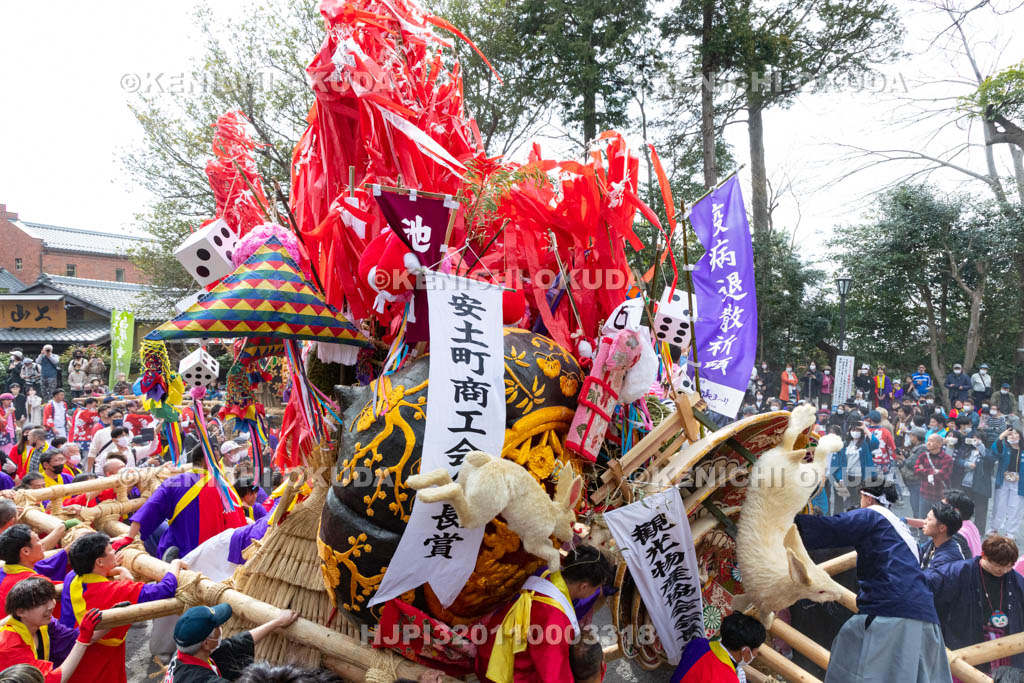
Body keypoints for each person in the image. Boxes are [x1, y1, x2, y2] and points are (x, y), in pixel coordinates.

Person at [796, 480, 952, 681]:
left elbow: (831, 528)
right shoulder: (903, 532)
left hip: (891, 614)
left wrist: (786, 522)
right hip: (924, 616)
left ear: (868, 498)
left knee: (855, 664)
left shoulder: (873, 515)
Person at [475, 545, 614, 683]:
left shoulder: (547, 572)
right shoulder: (555, 619)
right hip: (500, 670)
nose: (596, 591)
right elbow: (553, 676)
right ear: (583, 586)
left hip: (490, 645)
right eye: (596, 588)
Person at [65, 532, 184, 683]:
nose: (114, 551)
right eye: (110, 550)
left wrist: (119, 569)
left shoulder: (72, 578)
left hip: (74, 654)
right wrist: (175, 565)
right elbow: (166, 589)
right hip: (103, 660)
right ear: (99, 561)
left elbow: (96, 575)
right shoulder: (120, 590)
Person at [127, 445, 247, 561]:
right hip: (216, 555)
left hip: (180, 554)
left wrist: (128, 538)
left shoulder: (174, 482)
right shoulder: (225, 487)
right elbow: (236, 523)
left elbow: (150, 509)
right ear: (210, 461)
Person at [927, 535, 1024, 672]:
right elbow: (926, 586)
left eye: (1009, 566)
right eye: (998, 566)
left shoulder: (1015, 579)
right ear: (984, 555)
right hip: (968, 643)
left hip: (1005, 646)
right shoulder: (957, 572)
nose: (1003, 571)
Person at [162, 604, 298, 683]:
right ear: (206, 643)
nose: (221, 628)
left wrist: (277, 623)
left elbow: (238, 643)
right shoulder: (200, 679)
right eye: (217, 626)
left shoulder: (185, 653)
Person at [0, 577, 103, 682]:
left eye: (51, 598)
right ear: (20, 612)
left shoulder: (44, 624)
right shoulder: (9, 646)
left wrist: (108, 618)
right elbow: (53, 680)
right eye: (42, 603)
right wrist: (83, 640)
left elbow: (75, 638)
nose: (51, 605)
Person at [670, 612, 765, 682]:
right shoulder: (728, 679)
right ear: (745, 651)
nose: (756, 654)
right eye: (756, 650)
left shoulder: (698, 643)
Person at [990, 428, 1024, 539]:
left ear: (1020, 436)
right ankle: (994, 528)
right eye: (1010, 434)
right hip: (1003, 479)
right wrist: (1001, 437)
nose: (1012, 435)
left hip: (1019, 481)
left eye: (1015, 433)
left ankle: (1011, 532)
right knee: (999, 504)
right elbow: (995, 450)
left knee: (1016, 506)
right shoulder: (1004, 448)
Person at [915, 434, 954, 516]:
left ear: (940, 444)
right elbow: (917, 471)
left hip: (940, 496)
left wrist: (924, 471)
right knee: (923, 520)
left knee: (939, 520)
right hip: (924, 494)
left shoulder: (947, 459)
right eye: (927, 441)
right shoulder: (923, 456)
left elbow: (943, 475)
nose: (928, 443)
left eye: (931, 441)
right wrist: (933, 471)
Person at [919, 503, 964, 570]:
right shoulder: (934, 543)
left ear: (942, 528)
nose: (924, 522)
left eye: (929, 519)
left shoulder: (947, 559)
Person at [944, 489, 984, 558]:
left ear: (955, 511)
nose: (938, 509)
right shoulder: (971, 525)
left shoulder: (956, 534)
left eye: (943, 506)